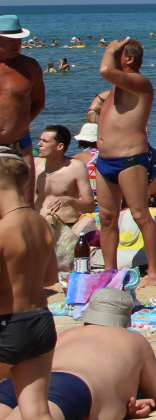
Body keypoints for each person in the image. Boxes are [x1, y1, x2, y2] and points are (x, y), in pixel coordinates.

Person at [0, 288, 156, 420]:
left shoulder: (68, 334)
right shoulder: (135, 340)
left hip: (27, 381)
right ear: (126, 321)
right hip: (72, 388)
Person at [91, 39, 156, 285]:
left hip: (130, 158)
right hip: (104, 161)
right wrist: (96, 110)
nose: (109, 58)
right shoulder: (115, 89)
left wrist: (110, 49)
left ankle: (154, 272)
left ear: (129, 59)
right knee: (107, 217)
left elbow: (104, 70)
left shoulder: (140, 83)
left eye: (115, 55)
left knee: (140, 214)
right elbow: (99, 110)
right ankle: (109, 271)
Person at [0, 150, 54, 420]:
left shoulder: (3, 228)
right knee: (37, 412)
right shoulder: (41, 223)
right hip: (41, 322)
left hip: (8, 326)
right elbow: (50, 278)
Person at [32, 124, 95, 273]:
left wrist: (70, 200)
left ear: (59, 146)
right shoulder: (34, 164)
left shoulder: (75, 167)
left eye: (45, 141)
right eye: (40, 140)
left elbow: (90, 206)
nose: (38, 144)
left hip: (65, 227)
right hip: (38, 225)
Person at [0, 16, 45, 204]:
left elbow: (38, 102)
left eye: (19, 39)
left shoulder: (29, 66)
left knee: (24, 204)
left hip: (19, 143)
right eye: (11, 40)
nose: (17, 44)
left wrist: (20, 126)